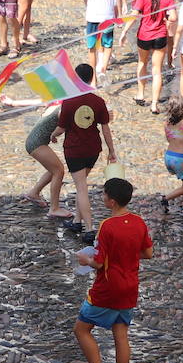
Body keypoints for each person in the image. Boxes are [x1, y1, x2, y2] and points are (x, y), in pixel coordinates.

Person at [74, 178, 153, 363]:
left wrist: (83, 259)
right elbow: (148, 253)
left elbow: (98, 263)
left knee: (81, 329)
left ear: (112, 201)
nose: (103, 197)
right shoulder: (139, 222)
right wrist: (125, 256)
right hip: (130, 287)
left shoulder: (107, 226)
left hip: (108, 288)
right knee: (121, 334)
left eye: (104, 194)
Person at [55, 63, 118, 238]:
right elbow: (106, 128)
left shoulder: (68, 101)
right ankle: (76, 221)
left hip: (74, 150)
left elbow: (61, 127)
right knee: (81, 184)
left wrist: (53, 135)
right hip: (92, 150)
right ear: (91, 79)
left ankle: (89, 229)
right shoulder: (98, 102)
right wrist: (111, 150)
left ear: (75, 79)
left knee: (81, 188)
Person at [120, 0, 177, 113]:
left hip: (144, 35)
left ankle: (140, 93)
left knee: (142, 63)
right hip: (160, 36)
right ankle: (154, 104)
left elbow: (134, 14)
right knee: (157, 69)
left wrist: (124, 31)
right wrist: (166, 18)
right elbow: (174, 17)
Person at [21, 105, 73, 218]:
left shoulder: (59, 106)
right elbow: (61, 128)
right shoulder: (63, 110)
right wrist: (54, 135)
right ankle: (54, 208)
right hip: (36, 144)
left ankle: (33, 193)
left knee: (53, 169)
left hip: (33, 142)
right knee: (58, 171)